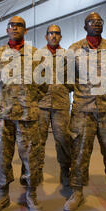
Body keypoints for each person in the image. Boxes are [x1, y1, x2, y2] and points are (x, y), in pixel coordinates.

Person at [63, 12, 106, 211]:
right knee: (79, 152)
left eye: (100, 21)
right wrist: (81, 90)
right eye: (92, 22)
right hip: (82, 110)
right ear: (85, 27)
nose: (96, 24)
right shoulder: (74, 49)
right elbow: (67, 77)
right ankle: (77, 192)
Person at [0, 16, 45, 211]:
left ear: (25, 31)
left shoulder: (36, 55)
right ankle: (2, 194)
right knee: (2, 156)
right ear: (7, 30)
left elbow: (44, 85)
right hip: (3, 115)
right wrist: (2, 98)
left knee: (31, 157)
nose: (14, 28)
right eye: (11, 25)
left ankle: (31, 194)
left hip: (28, 114)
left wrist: (29, 98)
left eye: (19, 25)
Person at [33, 24, 73, 195]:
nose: (54, 36)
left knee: (63, 139)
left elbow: (73, 80)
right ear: (46, 36)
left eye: (57, 33)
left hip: (61, 104)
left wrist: (62, 87)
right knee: (38, 139)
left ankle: (65, 172)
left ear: (61, 37)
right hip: (41, 104)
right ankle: (37, 171)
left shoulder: (68, 56)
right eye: (51, 33)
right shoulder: (37, 55)